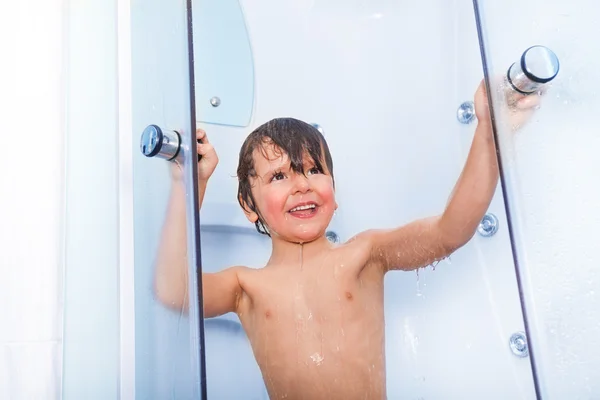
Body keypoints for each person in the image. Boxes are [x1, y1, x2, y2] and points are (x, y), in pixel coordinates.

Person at [153, 80, 541, 399]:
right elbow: (174, 290)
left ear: (334, 191)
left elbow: (450, 231)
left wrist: (489, 131)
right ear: (248, 205)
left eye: (313, 170)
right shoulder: (245, 286)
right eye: (279, 176)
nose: (302, 185)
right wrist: (189, 185)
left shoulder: (364, 255)